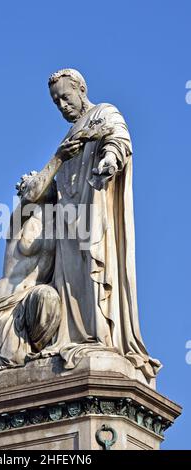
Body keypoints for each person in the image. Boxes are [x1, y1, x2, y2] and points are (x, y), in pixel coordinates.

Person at [42, 68, 161, 380]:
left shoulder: (103, 112)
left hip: (95, 209)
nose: (63, 106)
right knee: (68, 278)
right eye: (56, 103)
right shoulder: (67, 137)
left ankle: (100, 336)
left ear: (81, 89)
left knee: (96, 269)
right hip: (68, 219)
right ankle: (71, 336)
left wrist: (110, 158)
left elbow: (118, 137)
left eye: (65, 98)